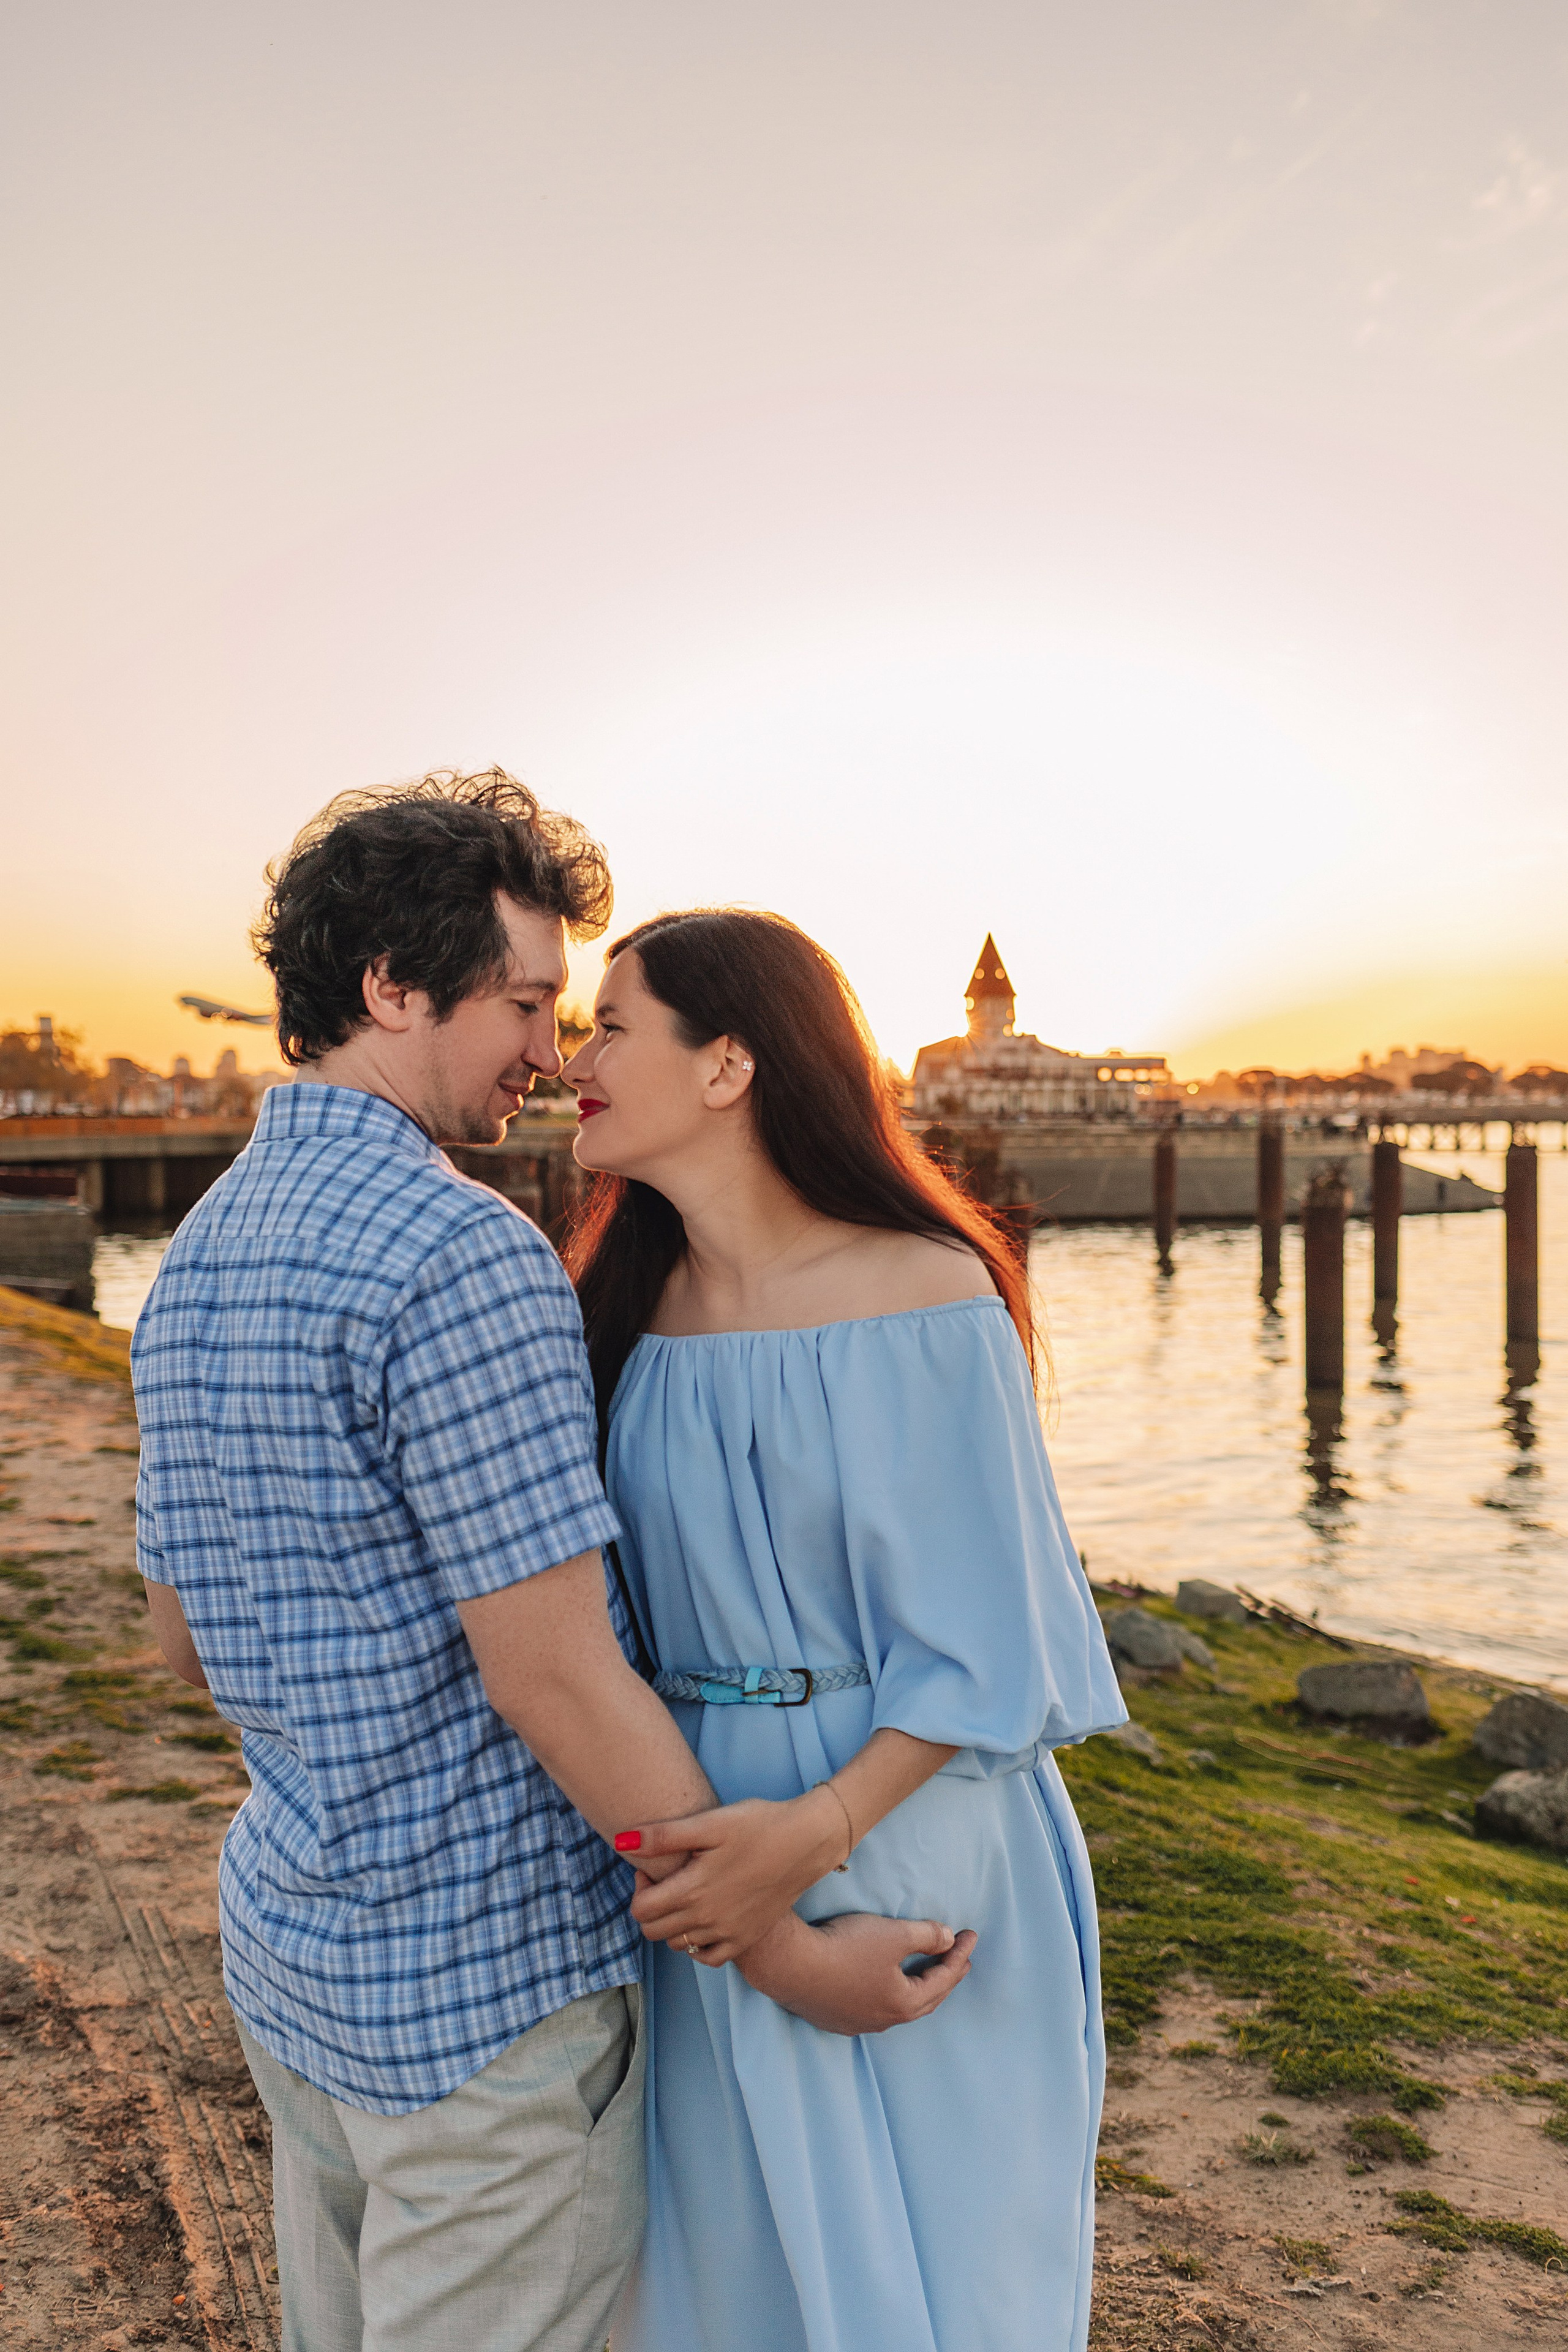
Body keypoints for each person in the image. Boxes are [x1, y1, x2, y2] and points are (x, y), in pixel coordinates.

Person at [131, 774, 974, 2352]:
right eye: (525, 1002)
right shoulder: (460, 1253)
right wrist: (785, 1954)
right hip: (482, 1993)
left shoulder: (198, 1257)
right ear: (394, 986)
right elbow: (558, 1679)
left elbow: (182, 1639)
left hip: (297, 1958)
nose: (549, 1050)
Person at [560, 908, 1126, 2352]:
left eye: (610, 1027)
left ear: (728, 1063)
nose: (575, 1060)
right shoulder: (613, 1310)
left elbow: (992, 1640)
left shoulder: (926, 1290)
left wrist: (811, 1835)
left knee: (942, 2279)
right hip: (689, 1838)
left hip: (911, 1820)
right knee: (718, 2284)